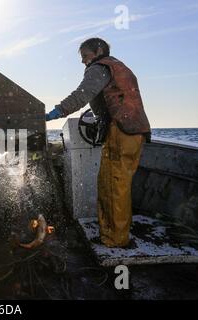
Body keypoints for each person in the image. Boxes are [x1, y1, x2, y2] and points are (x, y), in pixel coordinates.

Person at [46, 38, 151, 248]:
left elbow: (82, 94)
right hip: (136, 131)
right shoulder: (119, 67)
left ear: (99, 50)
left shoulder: (100, 67)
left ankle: (115, 240)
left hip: (121, 131)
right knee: (117, 185)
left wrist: (57, 111)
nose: (83, 61)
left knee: (112, 186)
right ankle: (112, 234)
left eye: (85, 56)